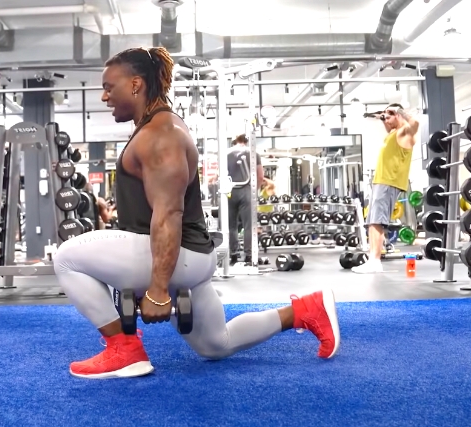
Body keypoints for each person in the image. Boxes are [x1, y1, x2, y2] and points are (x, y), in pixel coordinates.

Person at [52, 46, 340, 380]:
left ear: (135, 85)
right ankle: (304, 311)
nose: (104, 97)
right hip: (185, 256)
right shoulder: (157, 127)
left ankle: (124, 349)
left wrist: (158, 290)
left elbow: (169, 213)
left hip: (175, 255)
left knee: (67, 257)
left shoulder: (160, 135)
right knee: (216, 344)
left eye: (108, 87)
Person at [353, 103, 419, 274]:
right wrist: (383, 117)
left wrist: (399, 111)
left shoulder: (405, 132)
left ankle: (375, 261)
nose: (386, 120)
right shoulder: (392, 134)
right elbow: (389, 128)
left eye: (388, 116)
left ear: (397, 115)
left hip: (389, 181)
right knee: (373, 220)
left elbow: (415, 124)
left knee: (377, 221)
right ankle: (372, 259)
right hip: (381, 181)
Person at [226, 134, 264, 265]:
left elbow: (220, 175)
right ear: (247, 141)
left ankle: (233, 255)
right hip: (247, 190)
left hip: (230, 191)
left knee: (231, 226)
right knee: (249, 226)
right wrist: (255, 192)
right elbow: (260, 177)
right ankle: (249, 255)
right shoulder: (253, 153)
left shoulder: (226, 153)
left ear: (235, 141)